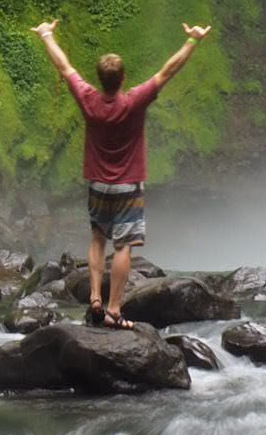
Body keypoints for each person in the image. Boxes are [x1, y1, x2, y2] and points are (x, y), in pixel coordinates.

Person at [30, 16, 212, 329]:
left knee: (98, 239)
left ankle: (95, 301)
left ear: (100, 79)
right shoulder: (134, 101)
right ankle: (114, 309)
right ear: (123, 77)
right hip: (128, 186)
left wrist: (47, 35)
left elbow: (64, 67)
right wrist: (192, 40)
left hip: (98, 184)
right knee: (123, 247)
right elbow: (169, 71)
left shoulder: (88, 99)